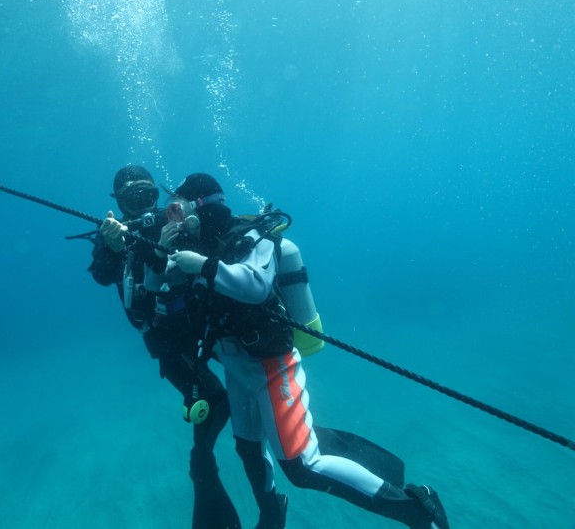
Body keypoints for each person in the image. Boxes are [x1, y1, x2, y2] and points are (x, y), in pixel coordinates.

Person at [149, 172, 450, 529]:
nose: (175, 218)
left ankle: (418, 509)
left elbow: (256, 287)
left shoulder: (253, 237)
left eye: (179, 209)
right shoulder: (195, 249)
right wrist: (159, 253)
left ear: (199, 207)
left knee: (302, 465)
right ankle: (271, 515)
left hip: (270, 365)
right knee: (248, 448)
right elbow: (155, 290)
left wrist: (202, 266)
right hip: (235, 368)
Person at [89, 165, 285, 529]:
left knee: (247, 391)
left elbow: (208, 249)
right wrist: (113, 247)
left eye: (148, 195)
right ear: (119, 202)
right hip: (164, 339)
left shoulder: (173, 218)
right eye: (132, 198)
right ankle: (203, 465)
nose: (143, 205)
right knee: (214, 399)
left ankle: (274, 484)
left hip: (204, 325)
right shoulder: (114, 233)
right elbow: (101, 273)